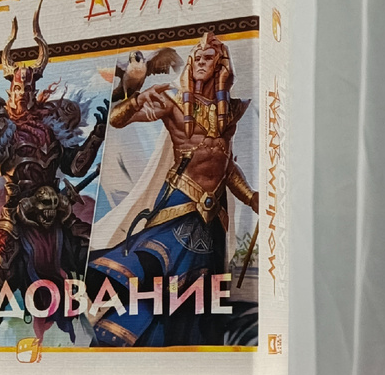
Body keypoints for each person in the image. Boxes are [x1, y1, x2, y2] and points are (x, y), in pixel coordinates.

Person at [85, 31, 258, 347]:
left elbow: (224, 165)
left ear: (221, 65)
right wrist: (137, 100)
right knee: (150, 270)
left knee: (195, 301)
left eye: (209, 58)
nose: (201, 63)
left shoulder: (230, 112)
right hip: (178, 206)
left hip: (212, 221)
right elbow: (116, 120)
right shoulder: (174, 102)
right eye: (197, 58)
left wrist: (250, 196)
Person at [0, 1, 107, 345]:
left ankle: (103, 320)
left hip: (56, 209)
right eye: (17, 89)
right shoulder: (0, 126)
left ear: (35, 92)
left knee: (93, 255)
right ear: (10, 90)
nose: (23, 94)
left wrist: (97, 135)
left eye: (28, 89)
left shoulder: (52, 125)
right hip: (18, 211)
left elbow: (75, 166)